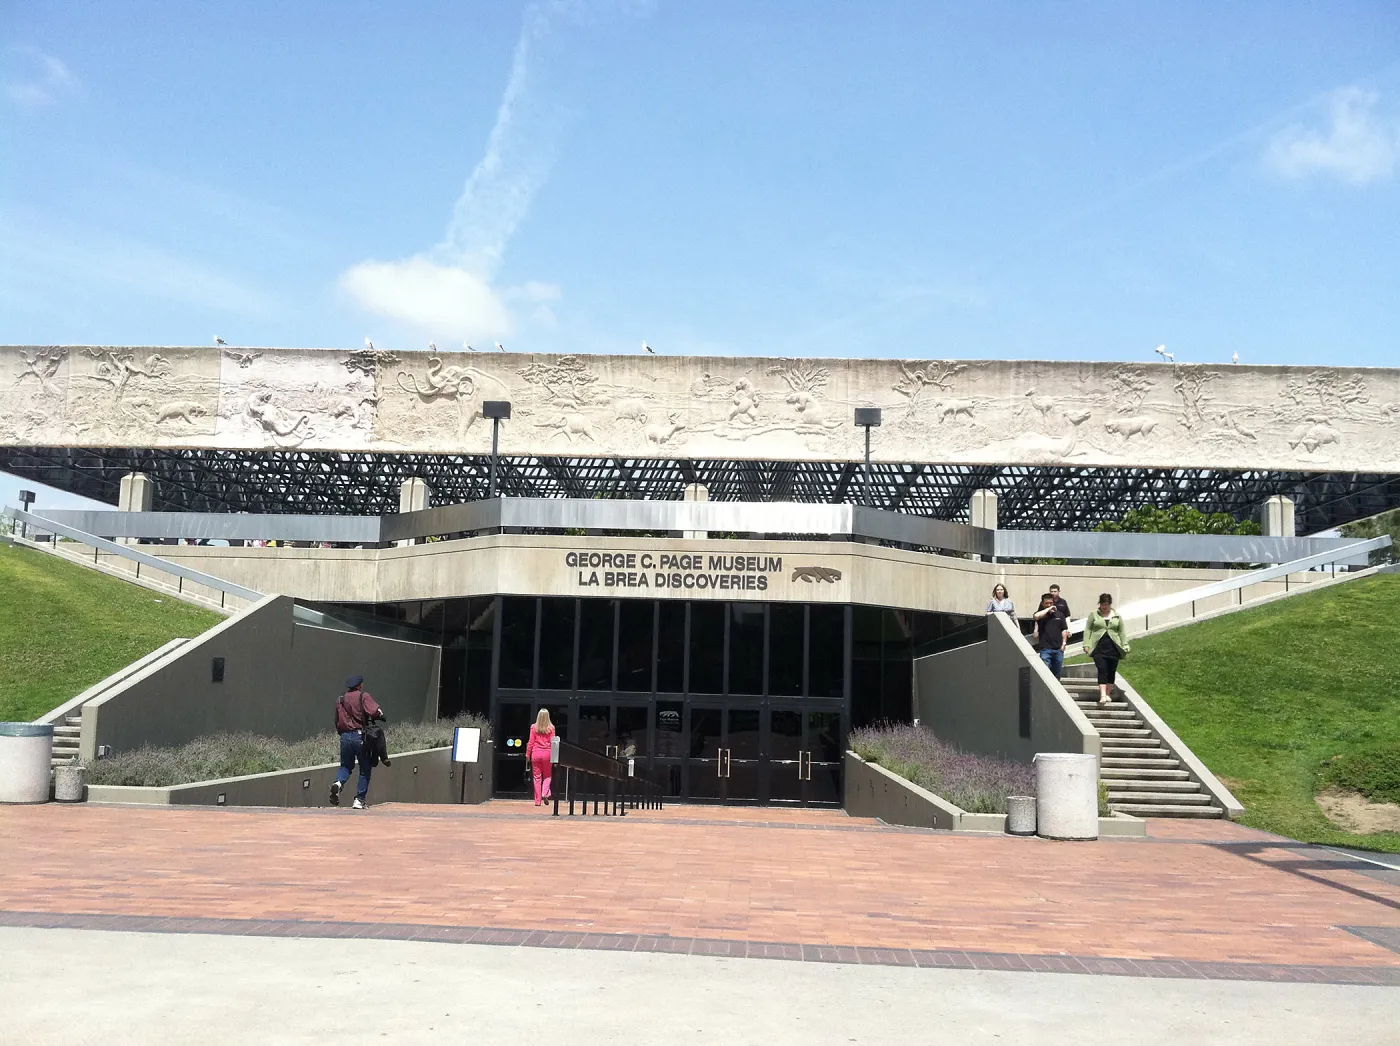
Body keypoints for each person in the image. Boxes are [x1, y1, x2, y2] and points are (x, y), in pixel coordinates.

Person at [329, 674, 385, 810]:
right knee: (365, 769)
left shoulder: (340, 699)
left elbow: (337, 720)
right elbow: (374, 711)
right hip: (360, 736)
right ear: (360, 685)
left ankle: (338, 783)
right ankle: (359, 800)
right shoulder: (363, 696)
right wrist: (380, 715)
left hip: (344, 737)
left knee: (346, 766)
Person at [1082, 593, 1130, 706]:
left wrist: (1125, 644)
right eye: (1103, 604)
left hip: (1113, 648)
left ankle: (1108, 693)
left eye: (1107, 604)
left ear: (1110, 604)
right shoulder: (1094, 615)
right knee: (1102, 669)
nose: (1105, 607)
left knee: (1111, 671)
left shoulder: (1117, 616)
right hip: (1099, 647)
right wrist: (1086, 644)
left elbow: (1122, 632)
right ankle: (1103, 694)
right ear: (1100, 604)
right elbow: (1088, 630)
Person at [1032, 592, 1068, 678]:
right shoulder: (1041, 615)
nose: (1049, 605)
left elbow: (1064, 629)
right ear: (1042, 604)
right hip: (1045, 649)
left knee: (1057, 673)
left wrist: (1064, 643)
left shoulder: (1060, 615)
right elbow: (1036, 616)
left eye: (1051, 603)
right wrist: (1048, 610)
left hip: (1058, 649)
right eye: (1046, 603)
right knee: (1045, 672)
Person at [526, 708, 557, 807]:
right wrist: (555, 757)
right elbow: (553, 743)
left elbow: (531, 742)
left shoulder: (534, 727)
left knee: (537, 777)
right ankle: (545, 793)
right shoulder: (551, 728)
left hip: (536, 753)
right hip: (547, 753)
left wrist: (527, 754)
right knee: (547, 775)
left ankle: (538, 801)